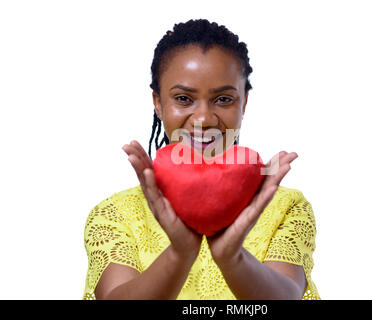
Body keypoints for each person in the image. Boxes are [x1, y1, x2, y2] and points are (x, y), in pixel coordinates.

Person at [82, 18, 320, 300]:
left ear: (243, 104)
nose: (204, 119)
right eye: (183, 98)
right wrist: (180, 254)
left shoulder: (285, 207)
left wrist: (232, 258)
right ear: (158, 103)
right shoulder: (115, 213)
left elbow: (286, 296)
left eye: (223, 99)